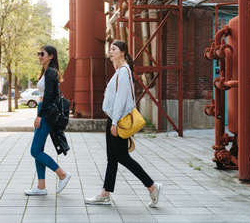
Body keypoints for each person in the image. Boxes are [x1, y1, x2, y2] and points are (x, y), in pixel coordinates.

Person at [85, 40, 161, 207]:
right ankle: (105, 193)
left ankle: (152, 186)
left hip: (117, 121)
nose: (110, 52)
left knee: (121, 157)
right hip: (114, 119)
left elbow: (121, 99)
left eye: (114, 49)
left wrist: (114, 122)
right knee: (112, 158)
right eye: (110, 49)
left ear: (123, 52)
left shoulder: (124, 71)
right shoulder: (120, 70)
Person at [24, 45, 71, 196]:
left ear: (51, 56)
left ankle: (62, 174)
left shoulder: (51, 72)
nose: (39, 56)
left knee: (35, 150)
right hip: (42, 110)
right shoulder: (46, 71)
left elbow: (50, 96)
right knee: (39, 150)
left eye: (42, 54)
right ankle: (41, 186)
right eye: (39, 54)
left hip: (45, 112)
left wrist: (40, 115)